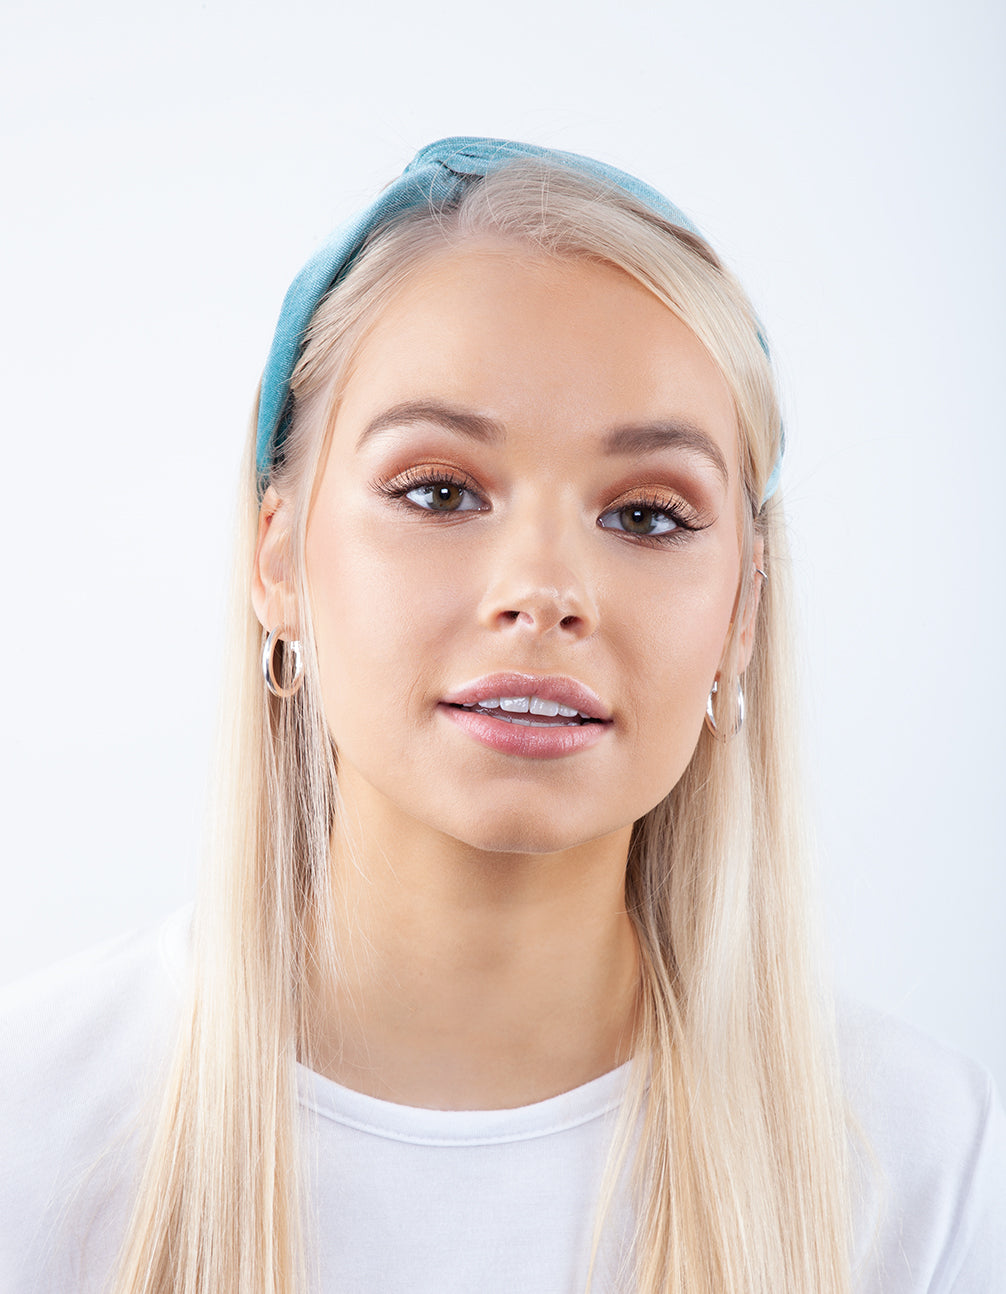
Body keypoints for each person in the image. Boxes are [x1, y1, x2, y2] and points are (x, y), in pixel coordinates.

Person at [1, 137, 1003, 1294]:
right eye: (439, 491)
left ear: (742, 608)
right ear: (276, 558)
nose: (543, 590)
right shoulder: (30, 1125)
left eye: (647, 515)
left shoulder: (918, 1165)